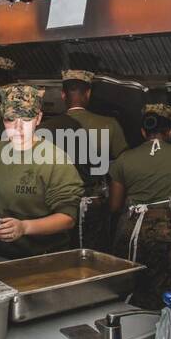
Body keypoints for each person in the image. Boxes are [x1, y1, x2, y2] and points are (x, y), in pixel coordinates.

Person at [108, 102, 171, 312]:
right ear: (170, 130)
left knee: (131, 287)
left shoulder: (124, 159)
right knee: (170, 291)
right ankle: (169, 338)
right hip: (170, 231)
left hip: (132, 232)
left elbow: (115, 205)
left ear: (143, 131)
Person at [0, 83, 84, 258]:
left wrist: (25, 227)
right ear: (3, 119)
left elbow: (67, 218)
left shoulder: (54, 159)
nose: (18, 128)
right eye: (11, 119)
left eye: (26, 119)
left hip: (41, 257)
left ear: (38, 118)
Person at [59, 66, 129, 252]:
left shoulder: (47, 127)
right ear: (88, 94)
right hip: (95, 203)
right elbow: (123, 166)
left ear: (63, 95)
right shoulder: (109, 124)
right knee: (94, 256)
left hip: (57, 204)